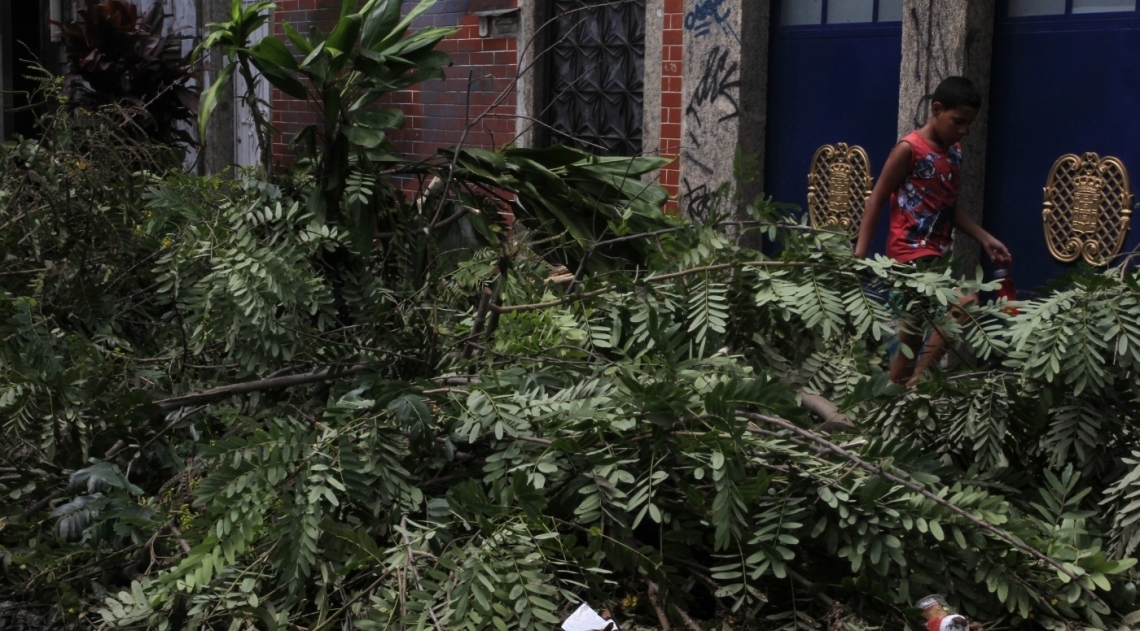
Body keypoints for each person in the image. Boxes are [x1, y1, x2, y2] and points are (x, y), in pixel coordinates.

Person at [853, 76, 1011, 386]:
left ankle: (895, 404)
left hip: (936, 256)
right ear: (936, 109)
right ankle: (918, 384)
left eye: (969, 124)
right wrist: (859, 255)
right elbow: (877, 198)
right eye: (958, 122)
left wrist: (985, 237)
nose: (963, 130)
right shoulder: (908, 149)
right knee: (966, 302)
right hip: (908, 256)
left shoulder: (954, 151)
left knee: (906, 349)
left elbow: (946, 207)